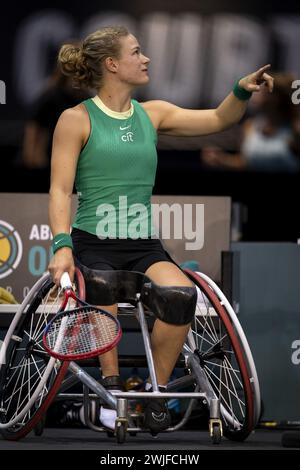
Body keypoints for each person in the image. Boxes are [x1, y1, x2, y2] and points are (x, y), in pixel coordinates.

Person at [48, 26, 273, 434]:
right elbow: (60, 190)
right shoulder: (76, 119)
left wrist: (241, 90)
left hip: (143, 245)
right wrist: (62, 246)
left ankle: (156, 392)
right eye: (137, 52)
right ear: (112, 64)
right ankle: (112, 388)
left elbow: (220, 118)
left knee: (181, 294)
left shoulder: (153, 114)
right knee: (102, 284)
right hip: (93, 242)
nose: (146, 58)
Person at [201, 72, 298, 172]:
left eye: (263, 92)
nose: (256, 94)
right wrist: (221, 159)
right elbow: (244, 163)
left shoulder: (296, 129)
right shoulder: (250, 126)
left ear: (277, 98)